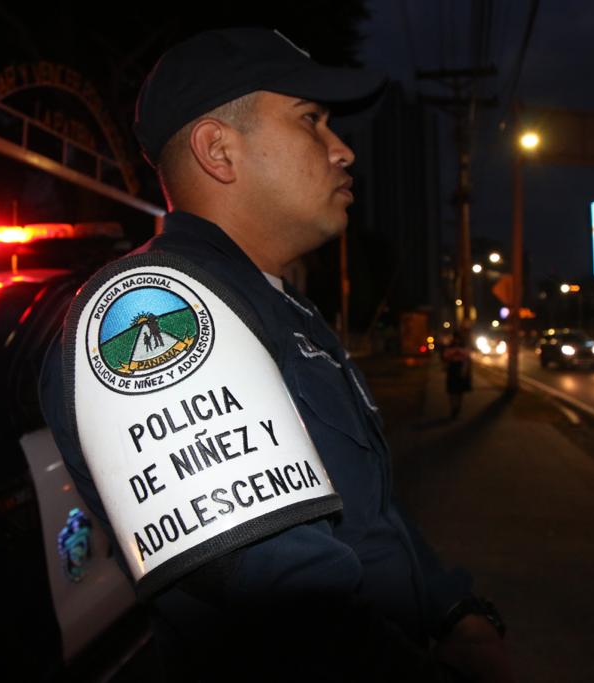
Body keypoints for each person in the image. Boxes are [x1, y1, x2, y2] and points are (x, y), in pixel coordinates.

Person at [39, 27, 513, 682]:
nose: (343, 149)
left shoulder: (282, 308)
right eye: (310, 120)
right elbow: (297, 625)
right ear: (219, 150)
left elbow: (369, 507)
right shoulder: (161, 304)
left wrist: (452, 608)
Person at [443, 331, 472, 418]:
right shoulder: (449, 347)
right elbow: (445, 357)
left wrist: (465, 370)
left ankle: (458, 407)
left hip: (460, 368)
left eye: (458, 338)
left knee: (459, 391)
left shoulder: (464, 347)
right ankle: (453, 408)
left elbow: (467, 358)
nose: (457, 340)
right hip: (452, 369)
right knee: (452, 391)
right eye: (456, 338)